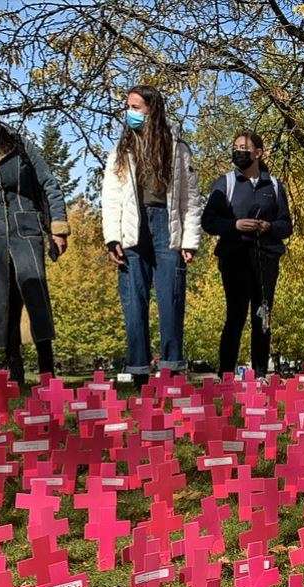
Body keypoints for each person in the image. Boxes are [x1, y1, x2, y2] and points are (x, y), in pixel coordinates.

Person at [0, 98, 68, 385]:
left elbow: (49, 184)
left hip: (26, 230)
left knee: (36, 298)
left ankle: (47, 372)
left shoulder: (20, 146)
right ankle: (14, 374)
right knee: (0, 304)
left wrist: (58, 227)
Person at [100, 84, 201, 385]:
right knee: (134, 299)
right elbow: (111, 197)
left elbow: (190, 199)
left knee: (171, 298)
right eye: (128, 107)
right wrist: (111, 237)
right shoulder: (121, 151)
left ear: (152, 109)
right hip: (132, 229)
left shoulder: (178, 148)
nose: (129, 113)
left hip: (167, 228)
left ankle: (171, 368)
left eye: (135, 107)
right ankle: (139, 370)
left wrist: (190, 240)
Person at [200, 130, 292, 377]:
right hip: (235, 257)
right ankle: (226, 374)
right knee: (235, 316)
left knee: (263, 317)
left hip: (266, 258)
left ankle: (260, 374)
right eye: (236, 147)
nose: (239, 151)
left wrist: (269, 227)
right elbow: (208, 221)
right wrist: (234, 225)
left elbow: (286, 225)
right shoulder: (226, 183)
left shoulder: (273, 185)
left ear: (258, 153)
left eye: (244, 147)